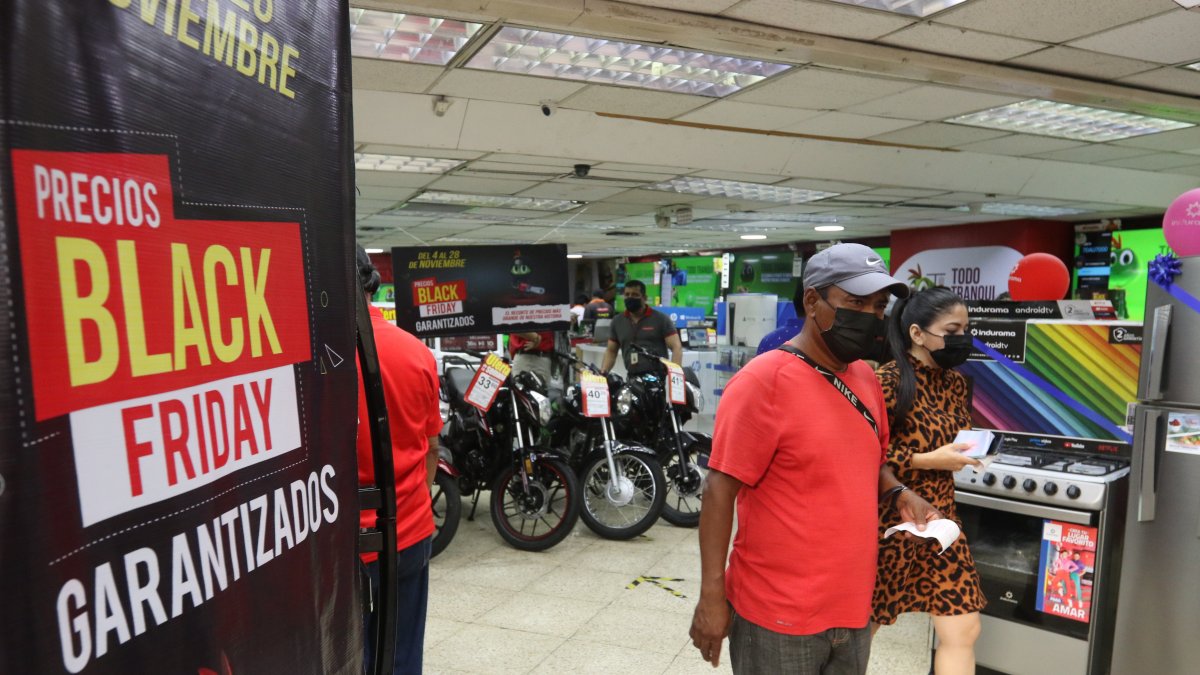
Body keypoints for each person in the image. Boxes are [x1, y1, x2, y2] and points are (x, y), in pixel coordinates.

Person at [689, 243, 941, 674]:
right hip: (777, 615)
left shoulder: (865, 376)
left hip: (853, 604)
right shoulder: (763, 382)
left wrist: (898, 492)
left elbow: (867, 460)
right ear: (812, 301)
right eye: (855, 302)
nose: (870, 316)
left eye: (879, 306)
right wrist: (712, 596)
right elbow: (718, 490)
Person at [871, 286, 986, 675]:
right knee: (862, 628)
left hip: (941, 525)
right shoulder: (884, 382)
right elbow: (863, 457)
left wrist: (964, 455)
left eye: (966, 329)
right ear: (917, 334)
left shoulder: (955, 384)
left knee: (964, 626)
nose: (962, 338)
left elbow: (952, 441)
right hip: (891, 525)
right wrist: (927, 459)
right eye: (952, 330)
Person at [355, 245, 442, 675]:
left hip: (336, 544)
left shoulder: (309, 359)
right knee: (401, 650)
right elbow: (431, 445)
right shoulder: (416, 352)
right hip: (407, 529)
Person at [601, 280, 682, 374]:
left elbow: (676, 347)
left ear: (644, 298)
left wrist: (676, 375)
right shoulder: (617, 321)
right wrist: (604, 372)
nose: (630, 297)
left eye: (635, 294)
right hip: (631, 376)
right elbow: (611, 351)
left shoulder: (661, 319)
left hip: (656, 378)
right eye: (627, 294)